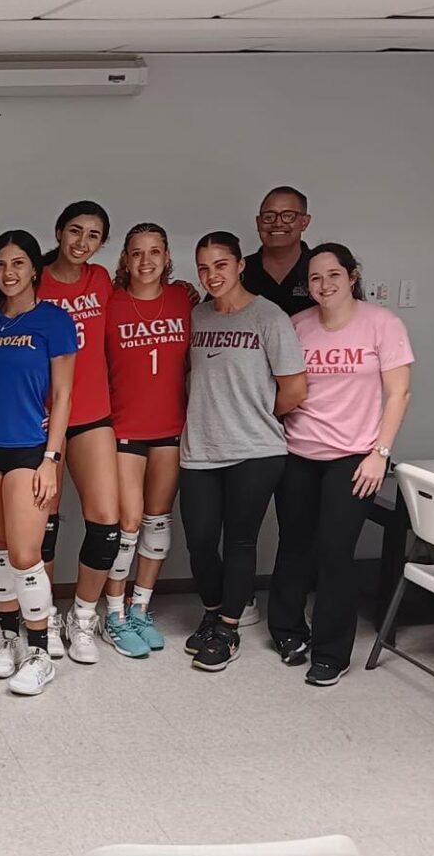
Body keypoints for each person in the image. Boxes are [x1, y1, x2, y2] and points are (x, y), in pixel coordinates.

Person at [270, 243, 413, 686]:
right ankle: (288, 632)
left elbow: (399, 394)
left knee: (334, 552)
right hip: (297, 453)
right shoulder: (297, 326)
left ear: (352, 276)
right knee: (294, 546)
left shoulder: (382, 324)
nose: (324, 284)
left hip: (354, 459)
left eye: (333, 275)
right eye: (314, 278)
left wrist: (380, 454)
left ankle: (332, 652)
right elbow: (282, 388)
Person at [181, 231, 307, 672]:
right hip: (199, 448)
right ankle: (213, 611)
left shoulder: (269, 318)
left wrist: (252, 415)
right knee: (198, 541)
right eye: (203, 267)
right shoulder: (195, 317)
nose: (211, 274)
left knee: (238, 540)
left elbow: (294, 389)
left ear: (239, 266)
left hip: (255, 449)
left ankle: (229, 629)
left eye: (220, 264)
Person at [0, 230, 77, 698]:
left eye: (17, 263)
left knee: (26, 555)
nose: (8, 273)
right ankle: (10, 641)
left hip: (29, 448)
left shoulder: (54, 321)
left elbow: (65, 394)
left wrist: (52, 457)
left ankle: (39, 653)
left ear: (34, 270)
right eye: (0, 265)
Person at [35, 201, 123, 664]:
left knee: (108, 522)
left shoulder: (102, 280)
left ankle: (82, 617)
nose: (81, 242)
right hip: (44, 418)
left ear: (102, 243)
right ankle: (46, 615)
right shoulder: (34, 279)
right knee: (43, 523)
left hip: (92, 413)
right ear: (58, 230)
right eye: (74, 231)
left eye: (92, 235)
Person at [100, 223, 192, 658]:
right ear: (125, 259)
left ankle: (141, 607)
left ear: (167, 256)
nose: (146, 261)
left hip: (171, 428)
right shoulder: (109, 304)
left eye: (155, 252)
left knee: (158, 520)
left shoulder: (183, 300)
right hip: (124, 429)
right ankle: (113, 614)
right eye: (137, 253)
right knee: (128, 523)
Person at [243, 185, 314, 317]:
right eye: (269, 217)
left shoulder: (323, 269)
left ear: (304, 222)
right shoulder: (238, 272)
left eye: (288, 216)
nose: (277, 223)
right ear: (258, 223)